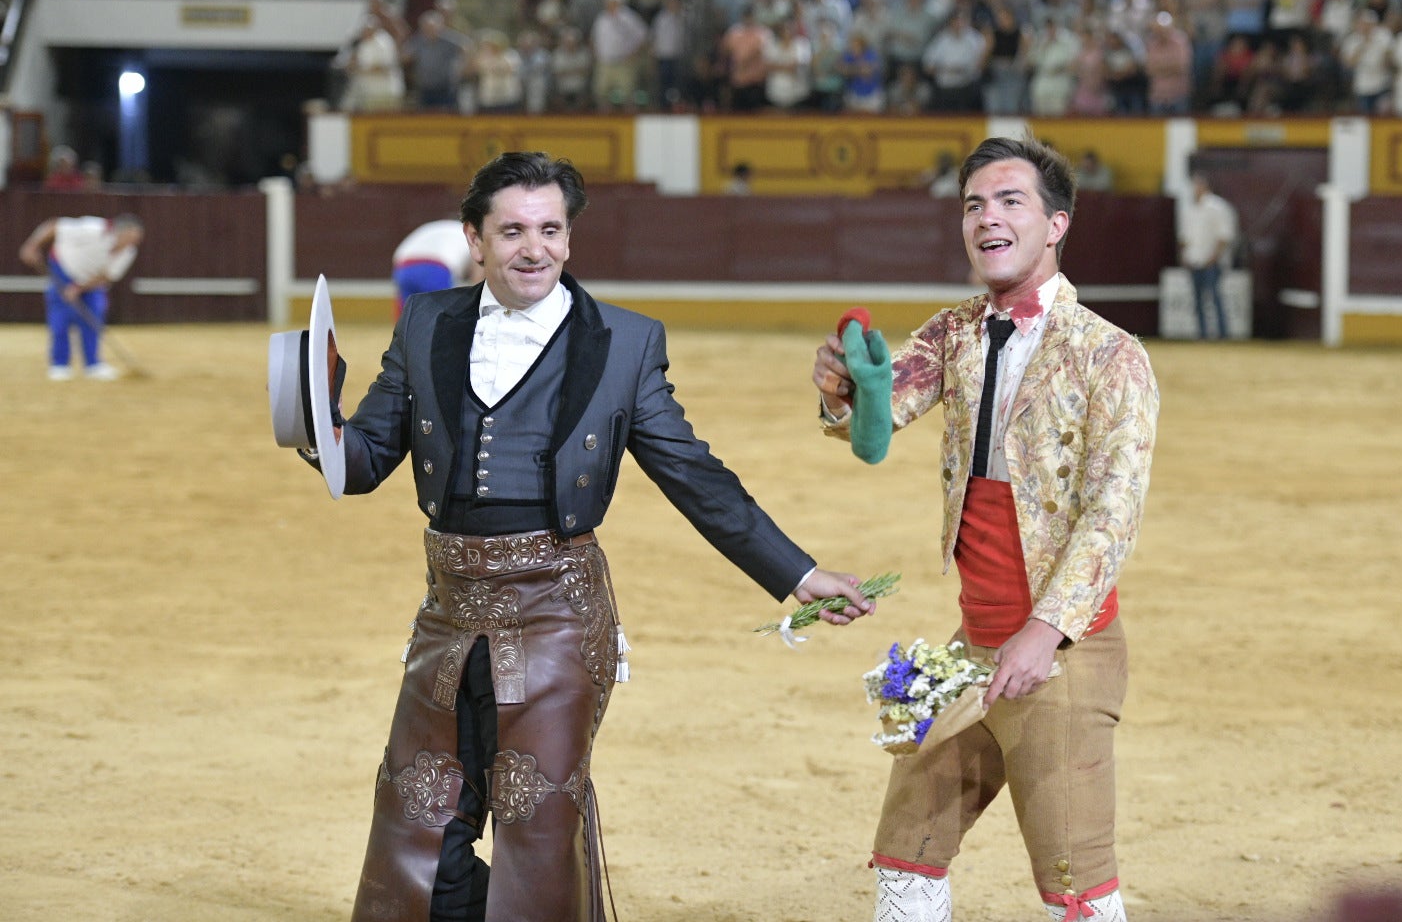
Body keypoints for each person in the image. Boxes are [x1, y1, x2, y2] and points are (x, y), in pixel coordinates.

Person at [312, 152, 875, 922]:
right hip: (447, 614)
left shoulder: (624, 342)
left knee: (536, 830)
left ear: (570, 240)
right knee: (419, 829)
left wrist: (798, 574)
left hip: (556, 614)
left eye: (549, 229)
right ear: (476, 240)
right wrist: (315, 424)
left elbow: (693, 474)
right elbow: (366, 458)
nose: (532, 247)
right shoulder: (426, 322)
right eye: (511, 230)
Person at [812, 136, 1159, 922]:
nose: (987, 218)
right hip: (971, 652)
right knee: (906, 852)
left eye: (1010, 202)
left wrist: (1045, 631)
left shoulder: (1113, 356)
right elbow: (877, 414)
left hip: (1061, 655)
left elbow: (1113, 513)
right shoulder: (954, 332)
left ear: (1056, 225)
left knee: (1078, 889)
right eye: (974, 204)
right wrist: (841, 387)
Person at [18, 213, 144, 381]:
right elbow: (54, 225)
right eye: (130, 238)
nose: (133, 244)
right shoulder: (91, 229)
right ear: (119, 232)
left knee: (94, 317)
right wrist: (31, 246)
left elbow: (107, 276)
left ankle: (93, 365)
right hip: (63, 269)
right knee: (60, 319)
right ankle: (60, 365)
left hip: (90, 282)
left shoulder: (129, 251)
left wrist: (79, 288)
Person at [1178, 173, 1238, 340]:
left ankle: (1222, 334)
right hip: (1195, 259)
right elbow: (1186, 237)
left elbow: (1224, 236)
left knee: (1214, 296)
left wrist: (1215, 256)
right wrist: (1185, 254)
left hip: (1211, 260)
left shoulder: (1217, 207)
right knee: (1199, 299)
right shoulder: (1190, 209)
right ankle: (1202, 334)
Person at [391, 218, 480, 318]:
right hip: (436, 268)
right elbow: (478, 277)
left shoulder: (448, 230)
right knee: (443, 319)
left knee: (407, 321)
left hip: (404, 268)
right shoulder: (475, 239)